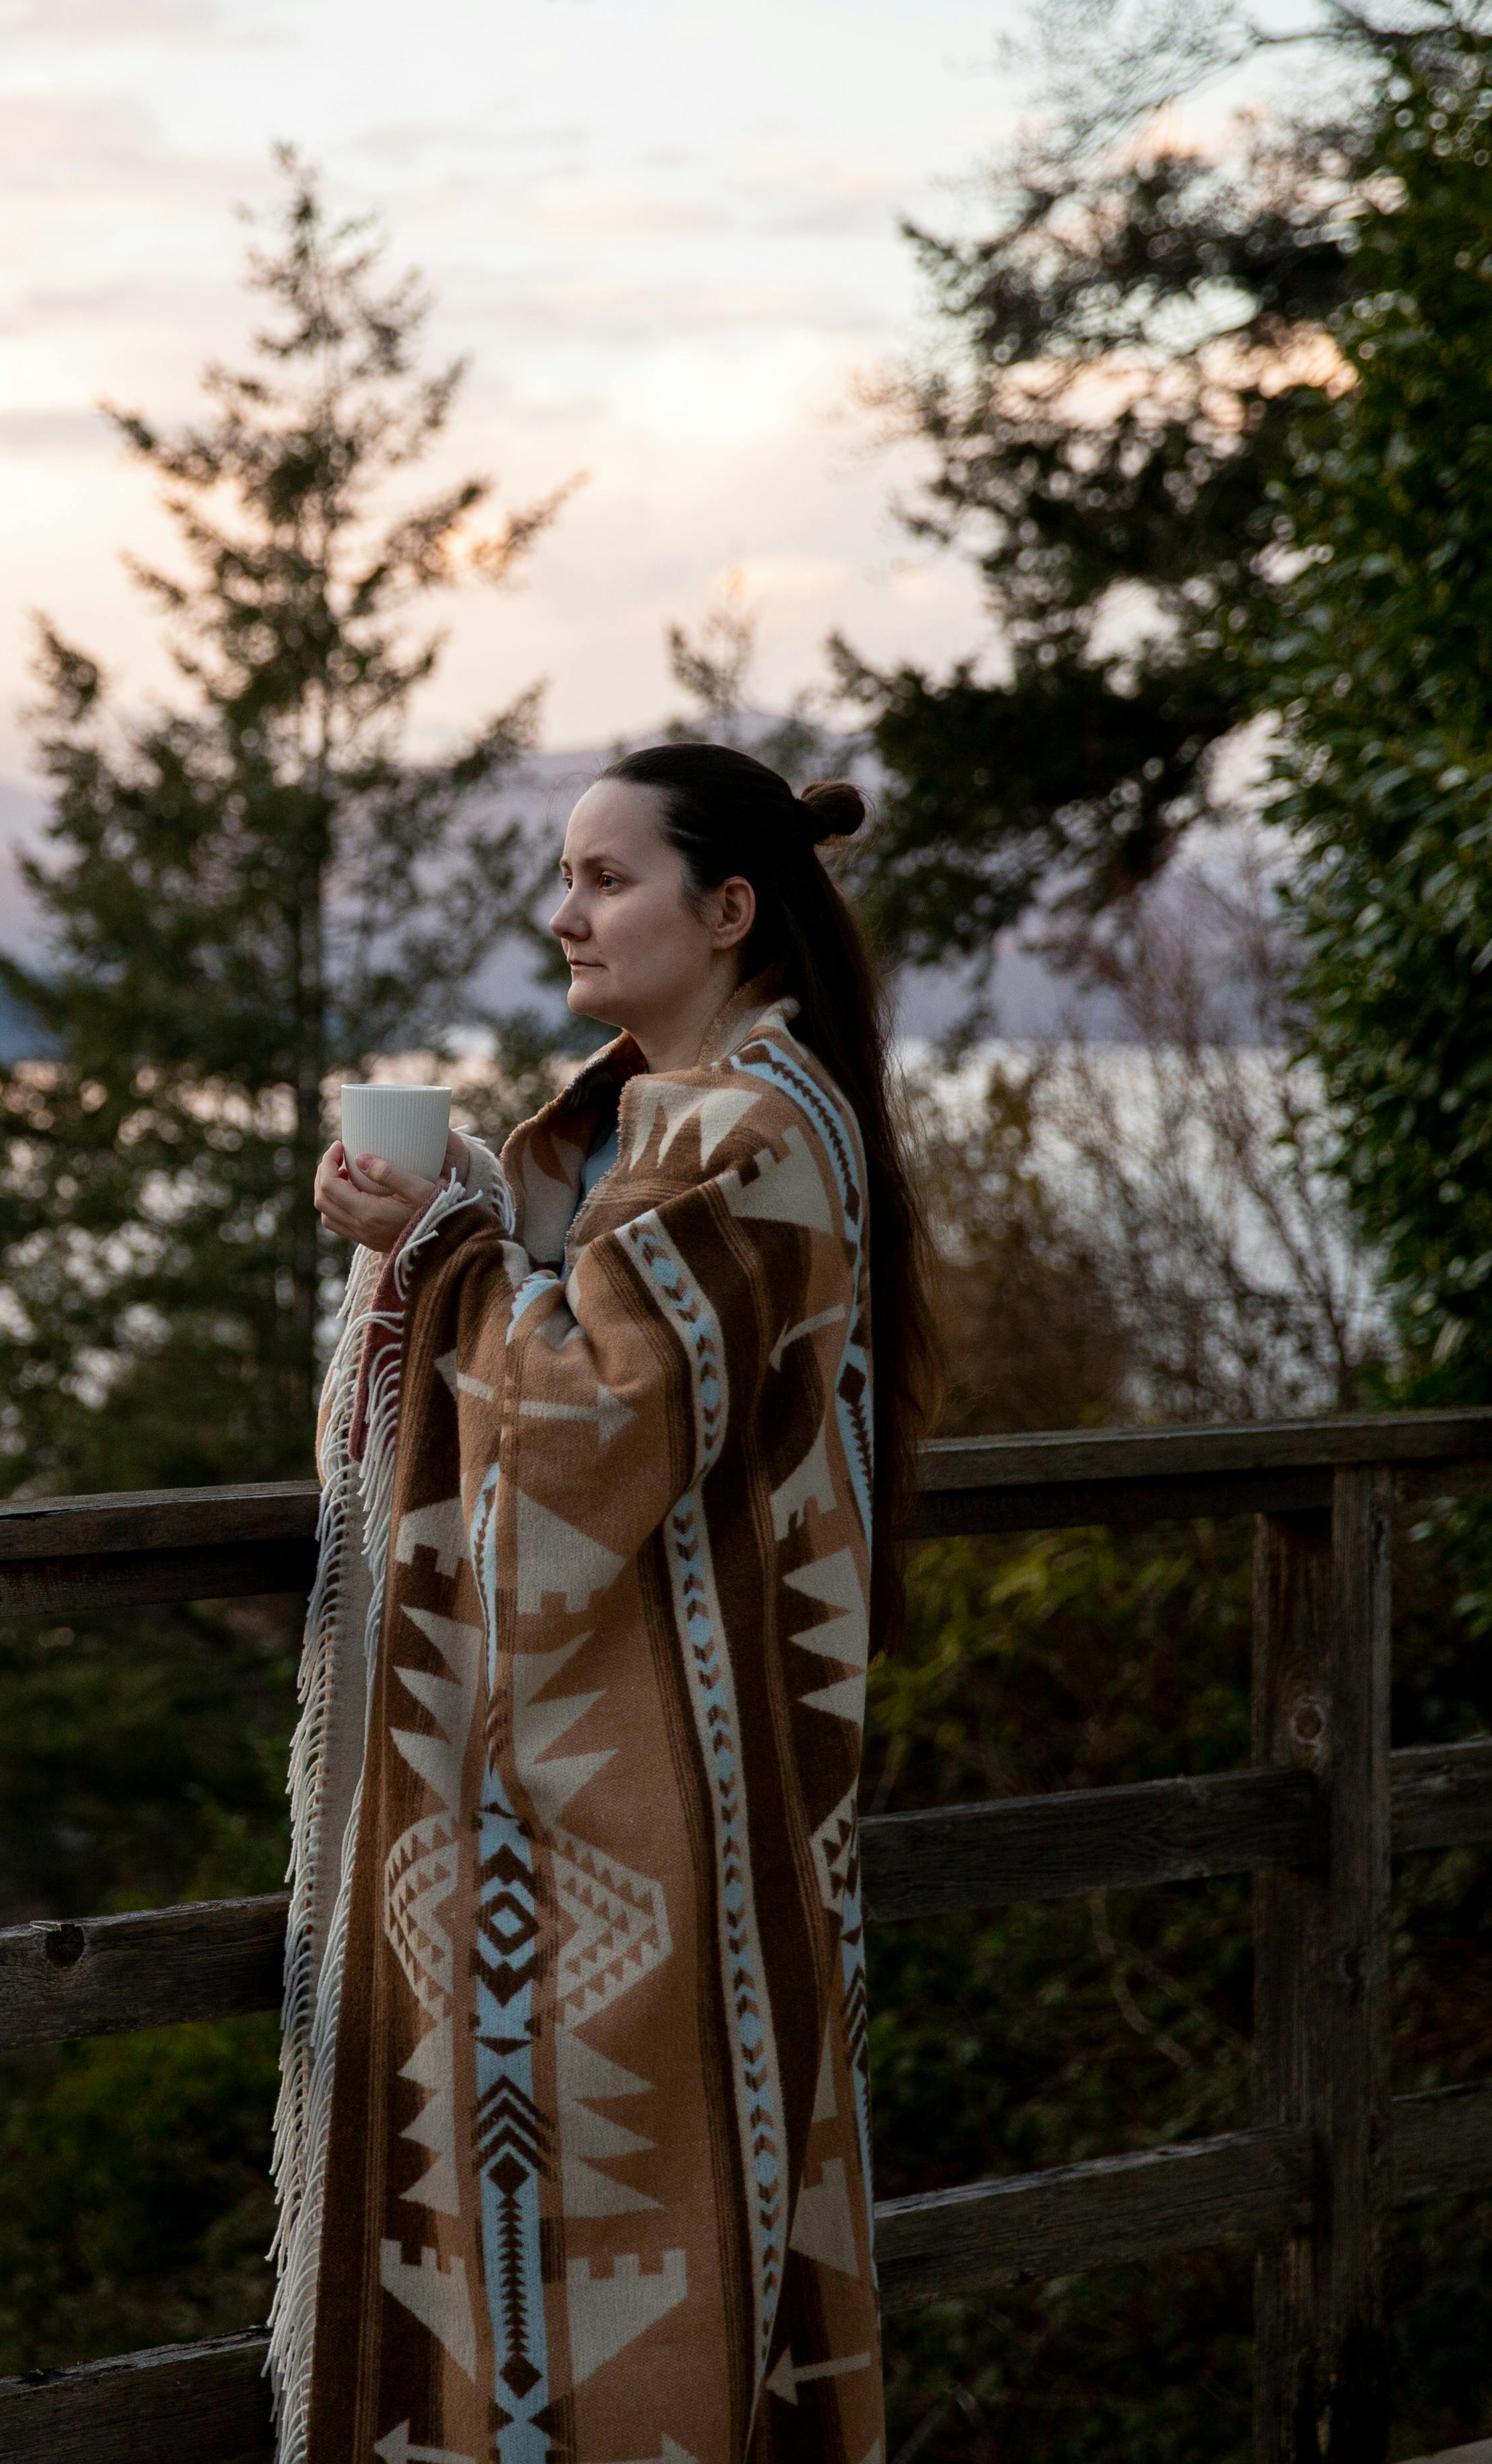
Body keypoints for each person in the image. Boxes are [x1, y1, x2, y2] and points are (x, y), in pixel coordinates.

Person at [273, 740, 934, 2464]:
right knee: (621, 2224)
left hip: (671, 1824)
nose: (562, 912)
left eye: (605, 879)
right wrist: (470, 1226)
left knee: (657, 2244)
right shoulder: (677, 1120)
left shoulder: (754, 1132)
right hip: (643, 1809)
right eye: (565, 877)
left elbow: (576, 1426)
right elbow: (600, 1328)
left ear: (730, 911)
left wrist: (443, 1254)